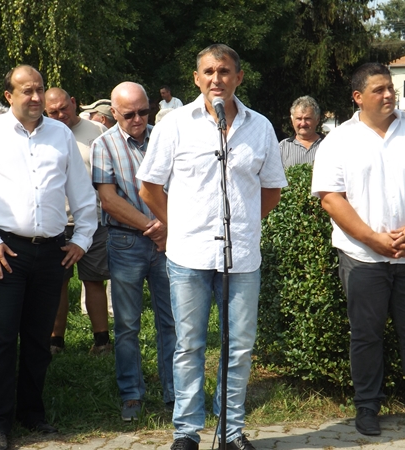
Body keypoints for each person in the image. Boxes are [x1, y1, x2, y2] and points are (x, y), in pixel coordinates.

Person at [137, 44, 287, 450]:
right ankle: (186, 432)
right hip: (188, 255)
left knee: (239, 347)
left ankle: (230, 431)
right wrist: (178, 226)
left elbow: (272, 189)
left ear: (239, 77)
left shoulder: (260, 127)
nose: (216, 78)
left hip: (242, 257)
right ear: (196, 78)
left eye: (224, 71)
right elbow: (149, 186)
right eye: (208, 71)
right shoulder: (174, 125)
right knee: (189, 345)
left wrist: (245, 224)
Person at [311, 62, 405, 438]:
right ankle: (367, 408)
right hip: (361, 257)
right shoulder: (338, 140)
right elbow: (330, 198)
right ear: (358, 97)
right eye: (379, 89)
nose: (389, 95)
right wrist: (372, 238)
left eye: (390, 88)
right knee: (366, 335)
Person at [0, 65, 97, 450]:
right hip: (5, 251)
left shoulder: (60, 134)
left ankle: (31, 413)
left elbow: (81, 191)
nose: (36, 97)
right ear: (9, 96)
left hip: (52, 251)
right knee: (2, 338)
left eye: (39, 89)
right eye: (27, 91)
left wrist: (82, 238)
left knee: (39, 339)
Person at [91, 81, 176, 421]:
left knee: (171, 321)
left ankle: (175, 394)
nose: (138, 119)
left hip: (169, 241)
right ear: (114, 113)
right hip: (127, 242)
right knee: (127, 325)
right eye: (129, 114)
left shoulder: (164, 137)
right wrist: (155, 227)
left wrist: (168, 229)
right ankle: (131, 394)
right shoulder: (103, 145)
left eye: (144, 111)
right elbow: (108, 200)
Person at [45, 87, 112, 355]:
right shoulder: (44, 134)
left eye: (64, 108)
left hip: (93, 220)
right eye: (53, 112)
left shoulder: (97, 130)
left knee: (94, 280)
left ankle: (102, 341)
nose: (61, 114)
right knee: (57, 282)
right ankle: (55, 341)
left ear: (73, 103)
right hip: (57, 222)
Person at [279, 95, 324, 169]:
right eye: (299, 119)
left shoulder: (330, 145)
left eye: (307, 118)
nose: (303, 123)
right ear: (292, 120)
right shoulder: (282, 147)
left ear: (317, 120)